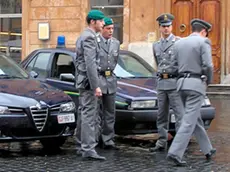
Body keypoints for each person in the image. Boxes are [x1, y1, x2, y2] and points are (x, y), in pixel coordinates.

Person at [167, 18, 216, 166]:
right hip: (196, 84)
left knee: (194, 117)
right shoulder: (203, 42)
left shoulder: (179, 43)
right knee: (189, 121)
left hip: (181, 85)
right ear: (203, 31)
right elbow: (208, 65)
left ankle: (207, 148)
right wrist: (208, 80)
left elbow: (172, 66)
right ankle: (175, 153)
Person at [149, 13, 183, 152]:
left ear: (172, 26)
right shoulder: (156, 45)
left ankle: (179, 144)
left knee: (179, 114)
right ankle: (162, 141)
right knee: (161, 115)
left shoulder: (179, 42)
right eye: (163, 26)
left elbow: (181, 63)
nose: (166, 29)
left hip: (174, 82)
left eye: (168, 26)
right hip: (162, 83)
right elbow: (158, 64)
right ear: (159, 28)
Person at [75, 9, 106, 161]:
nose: (103, 23)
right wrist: (96, 86)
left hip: (84, 81)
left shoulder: (87, 35)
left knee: (84, 113)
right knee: (89, 115)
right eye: (101, 21)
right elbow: (90, 64)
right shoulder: (89, 37)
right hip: (88, 83)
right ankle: (88, 148)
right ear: (93, 22)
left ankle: (81, 145)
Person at [97, 17, 120, 150]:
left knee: (110, 113)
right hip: (99, 79)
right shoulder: (95, 41)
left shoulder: (116, 43)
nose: (111, 31)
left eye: (112, 28)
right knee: (96, 113)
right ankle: (95, 138)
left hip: (110, 79)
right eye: (108, 28)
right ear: (102, 28)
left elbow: (115, 61)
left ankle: (108, 139)